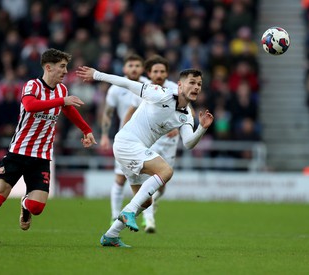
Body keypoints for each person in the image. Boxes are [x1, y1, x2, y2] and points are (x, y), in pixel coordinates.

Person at [0, 48, 97, 246]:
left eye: (66, 67)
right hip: (18, 153)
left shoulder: (62, 90)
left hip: (42, 157)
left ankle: (25, 205)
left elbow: (69, 110)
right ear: (48, 67)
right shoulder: (33, 86)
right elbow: (30, 106)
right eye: (62, 67)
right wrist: (62, 101)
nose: (65, 71)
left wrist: (86, 130)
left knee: (37, 207)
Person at [76, 65, 214, 247]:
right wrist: (97, 74)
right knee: (166, 170)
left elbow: (188, 143)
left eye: (199, 84)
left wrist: (202, 129)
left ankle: (111, 235)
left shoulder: (187, 115)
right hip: (126, 142)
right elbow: (126, 83)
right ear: (180, 85)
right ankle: (128, 212)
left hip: (136, 149)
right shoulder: (160, 93)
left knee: (146, 201)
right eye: (192, 83)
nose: (196, 87)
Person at [122, 55, 179, 233]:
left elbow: (186, 111)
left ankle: (150, 206)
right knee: (150, 179)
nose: (159, 74)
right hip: (148, 141)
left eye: (162, 71)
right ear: (149, 73)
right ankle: (149, 219)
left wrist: (178, 126)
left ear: (167, 73)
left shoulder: (175, 89)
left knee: (162, 185)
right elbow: (130, 111)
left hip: (169, 142)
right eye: (155, 71)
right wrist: (124, 132)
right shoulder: (144, 89)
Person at [99, 54, 145, 225]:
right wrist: (104, 135)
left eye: (137, 65)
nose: (134, 68)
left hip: (148, 139)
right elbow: (108, 113)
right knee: (120, 178)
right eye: (130, 65)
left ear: (142, 68)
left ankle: (145, 217)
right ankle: (114, 216)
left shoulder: (148, 85)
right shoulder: (116, 88)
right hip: (126, 139)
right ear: (124, 69)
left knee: (147, 180)